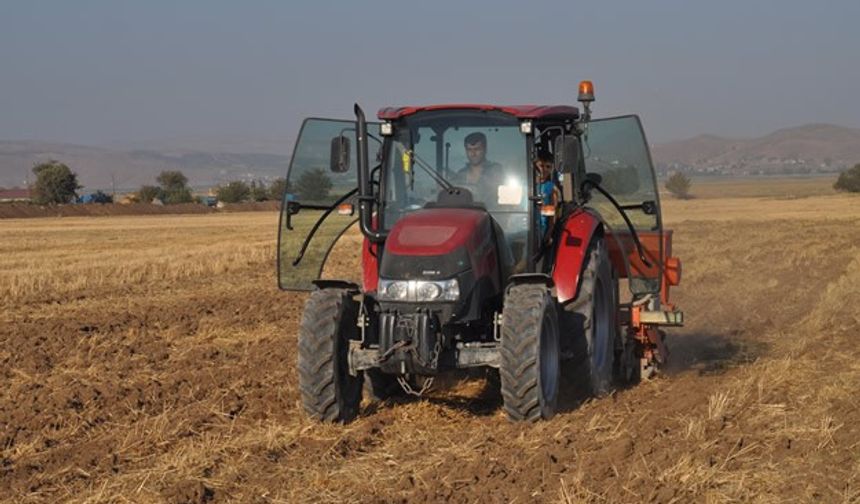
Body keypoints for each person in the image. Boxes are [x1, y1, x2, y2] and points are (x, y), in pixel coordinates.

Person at [535, 151, 559, 240]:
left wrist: (549, 233)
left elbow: (551, 215)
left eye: (548, 167)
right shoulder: (526, 185)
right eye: (541, 165)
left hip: (539, 228)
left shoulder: (551, 188)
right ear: (535, 166)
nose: (544, 169)